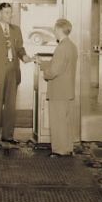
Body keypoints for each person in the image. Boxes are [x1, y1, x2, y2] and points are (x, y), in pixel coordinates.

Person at [0, 2, 33, 147]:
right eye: (6, 13)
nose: (9, 16)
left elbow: (19, 48)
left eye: (10, 13)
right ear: (0, 13)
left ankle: (8, 135)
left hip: (12, 72)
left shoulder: (16, 30)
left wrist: (25, 57)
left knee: (10, 105)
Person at [38, 18, 78, 157]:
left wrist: (45, 74)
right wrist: (43, 63)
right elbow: (61, 65)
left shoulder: (61, 47)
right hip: (67, 91)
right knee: (66, 122)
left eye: (55, 29)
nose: (54, 32)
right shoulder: (71, 46)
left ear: (60, 30)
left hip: (59, 92)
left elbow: (55, 71)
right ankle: (67, 148)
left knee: (58, 122)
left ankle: (59, 150)